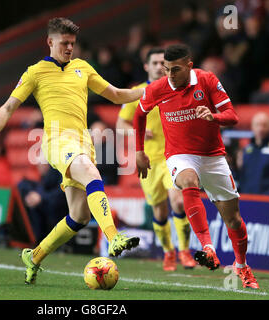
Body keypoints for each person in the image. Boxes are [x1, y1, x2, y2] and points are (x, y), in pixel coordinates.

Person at [0, 17, 142, 285]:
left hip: (83, 142)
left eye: (72, 43)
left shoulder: (82, 68)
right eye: (64, 43)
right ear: (50, 42)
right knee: (91, 173)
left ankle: (34, 257)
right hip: (57, 142)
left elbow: (117, 95)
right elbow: (7, 108)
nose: (69, 48)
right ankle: (114, 237)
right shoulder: (35, 72)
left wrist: (148, 93)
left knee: (79, 216)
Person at [133, 44, 259, 289]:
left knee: (233, 220)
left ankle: (242, 266)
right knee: (188, 181)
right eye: (166, 69)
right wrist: (139, 151)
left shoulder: (207, 80)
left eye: (175, 70)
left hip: (213, 156)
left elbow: (232, 116)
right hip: (179, 155)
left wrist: (214, 116)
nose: (169, 75)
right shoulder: (157, 88)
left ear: (189, 66)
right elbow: (139, 114)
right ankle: (207, 247)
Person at [116, 47, 196, 272]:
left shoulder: (177, 88)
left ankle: (185, 251)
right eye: (155, 63)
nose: (160, 67)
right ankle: (169, 251)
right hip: (148, 161)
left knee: (179, 202)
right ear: (146, 67)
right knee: (159, 211)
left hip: (174, 157)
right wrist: (136, 133)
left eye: (164, 63)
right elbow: (120, 125)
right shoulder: (137, 92)